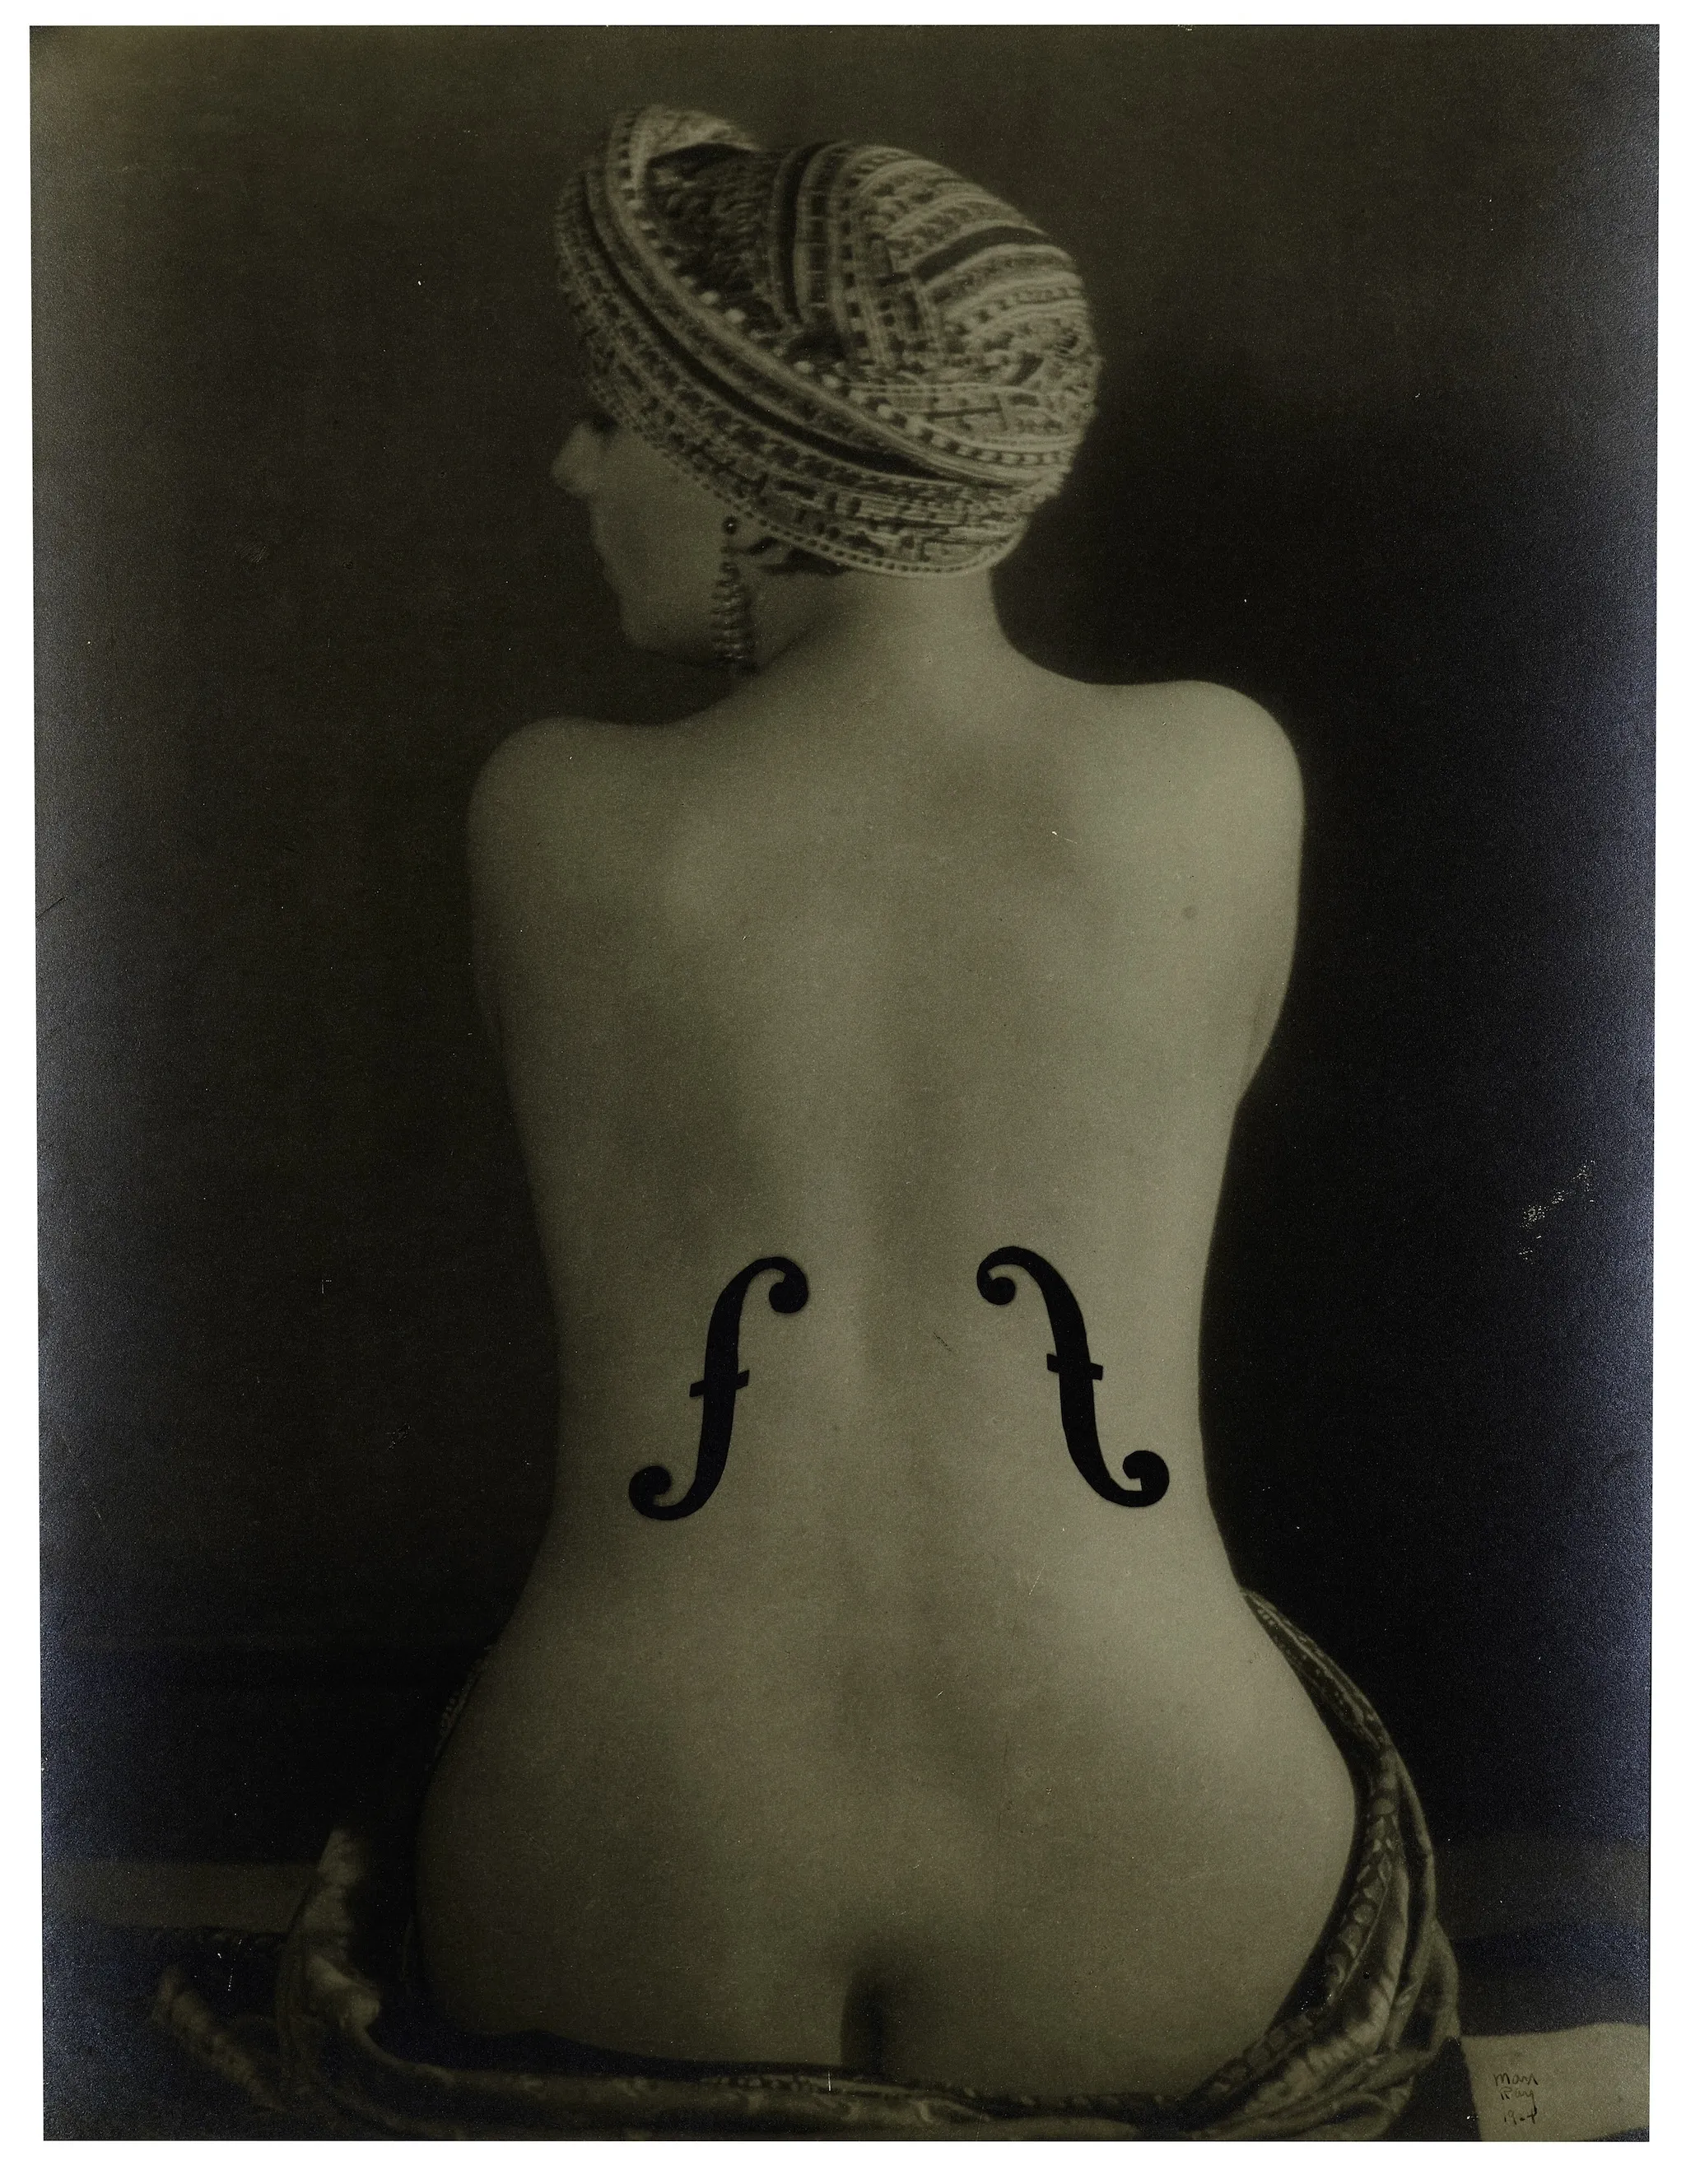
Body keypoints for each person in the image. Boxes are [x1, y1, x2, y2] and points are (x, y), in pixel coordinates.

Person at [279, 107, 1455, 2138]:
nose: (572, 469)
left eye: (612, 415)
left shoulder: (551, 813)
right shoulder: (1220, 778)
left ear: (753, 460)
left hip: (632, 1850)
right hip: (1164, 1840)